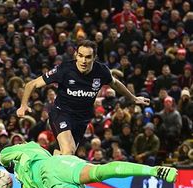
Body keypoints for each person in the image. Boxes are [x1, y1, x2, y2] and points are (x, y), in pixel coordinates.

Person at [17, 40, 150, 155]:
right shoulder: (65, 69)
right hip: (61, 113)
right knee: (68, 151)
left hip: (82, 119)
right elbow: (31, 84)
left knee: (64, 153)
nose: (83, 61)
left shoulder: (101, 71)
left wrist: (133, 98)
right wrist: (23, 105)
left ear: (94, 57)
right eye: (80, 56)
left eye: (88, 57)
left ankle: (48, 171)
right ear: (76, 55)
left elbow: (115, 83)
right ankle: (32, 153)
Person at [0, 141, 177, 188]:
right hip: (50, 186)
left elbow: (3, 154)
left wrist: (7, 164)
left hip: (52, 166)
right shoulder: (23, 180)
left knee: (97, 172)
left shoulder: (27, 148)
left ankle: (154, 171)